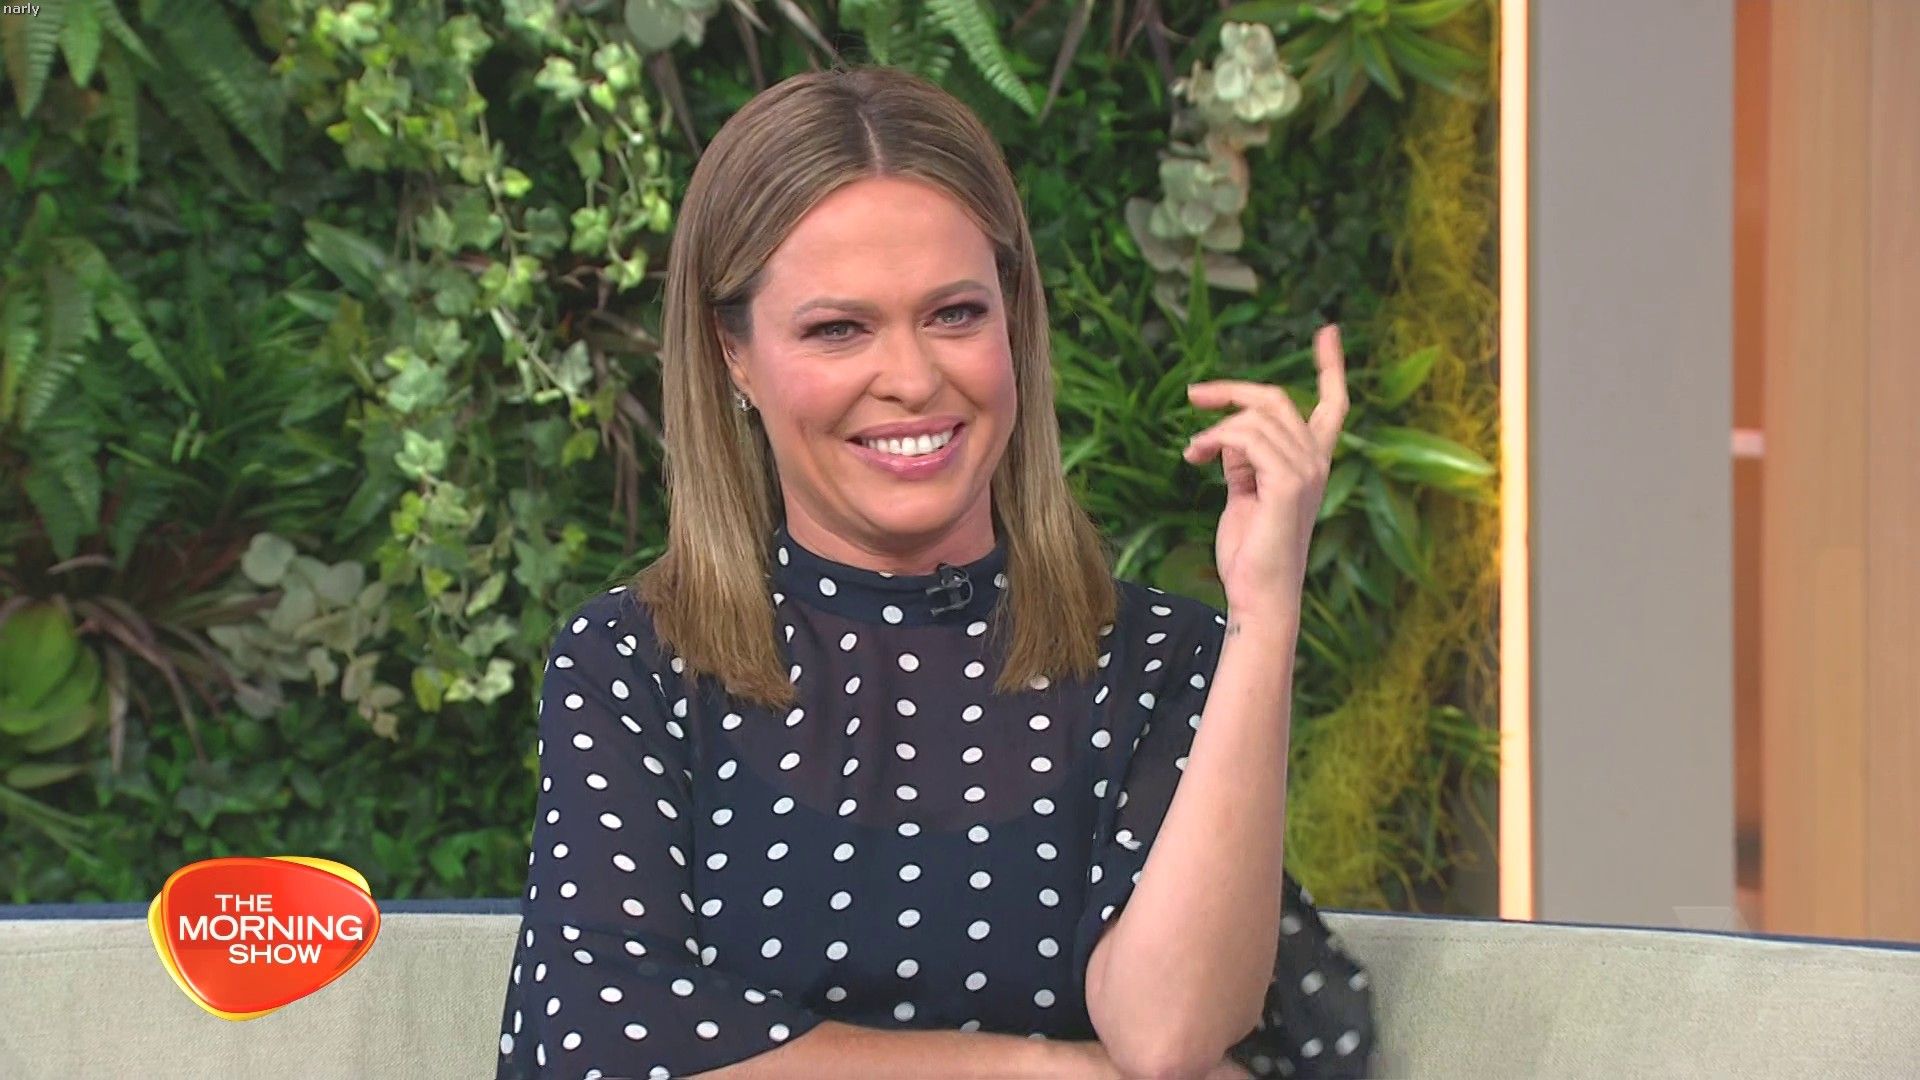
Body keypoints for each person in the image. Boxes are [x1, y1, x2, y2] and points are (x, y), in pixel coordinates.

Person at [495, 63, 1374, 1079]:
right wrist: (1051, 1070)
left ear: (1014, 320)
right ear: (733, 354)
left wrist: (1264, 613)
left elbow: (1169, 1034)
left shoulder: (1163, 659)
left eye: (955, 314)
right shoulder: (635, 662)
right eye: (838, 329)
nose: (913, 380)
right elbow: (598, 1036)